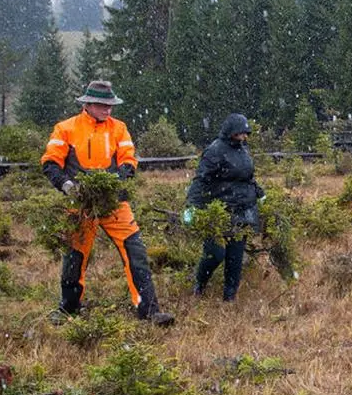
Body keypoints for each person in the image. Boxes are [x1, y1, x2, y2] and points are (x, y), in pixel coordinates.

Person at [40, 80, 174, 326]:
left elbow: (129, 160)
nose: (108, 110)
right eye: (103, 105)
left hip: (115, 203)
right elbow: (50, 162)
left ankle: (150, 311)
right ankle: (69, 308)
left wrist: (117, 179)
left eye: (110, 105)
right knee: (75, 257)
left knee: (136, 253)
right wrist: (67, 186)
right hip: (81, 205)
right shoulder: (65, 128)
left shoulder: (119, 129)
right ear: (87, 104)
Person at [185, 113, 264, 301]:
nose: (243, 137)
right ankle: (200, 285)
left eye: (245, 134)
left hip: (243, 210)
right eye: (240, 134)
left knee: (235, 258)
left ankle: (229, 298)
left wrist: (260, 194)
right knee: (215, 253)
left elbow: (248, 177)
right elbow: (201, 179)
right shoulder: (215, 150)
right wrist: (192, 205)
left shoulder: (243, 150)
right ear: (230, 132)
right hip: (218, 210)